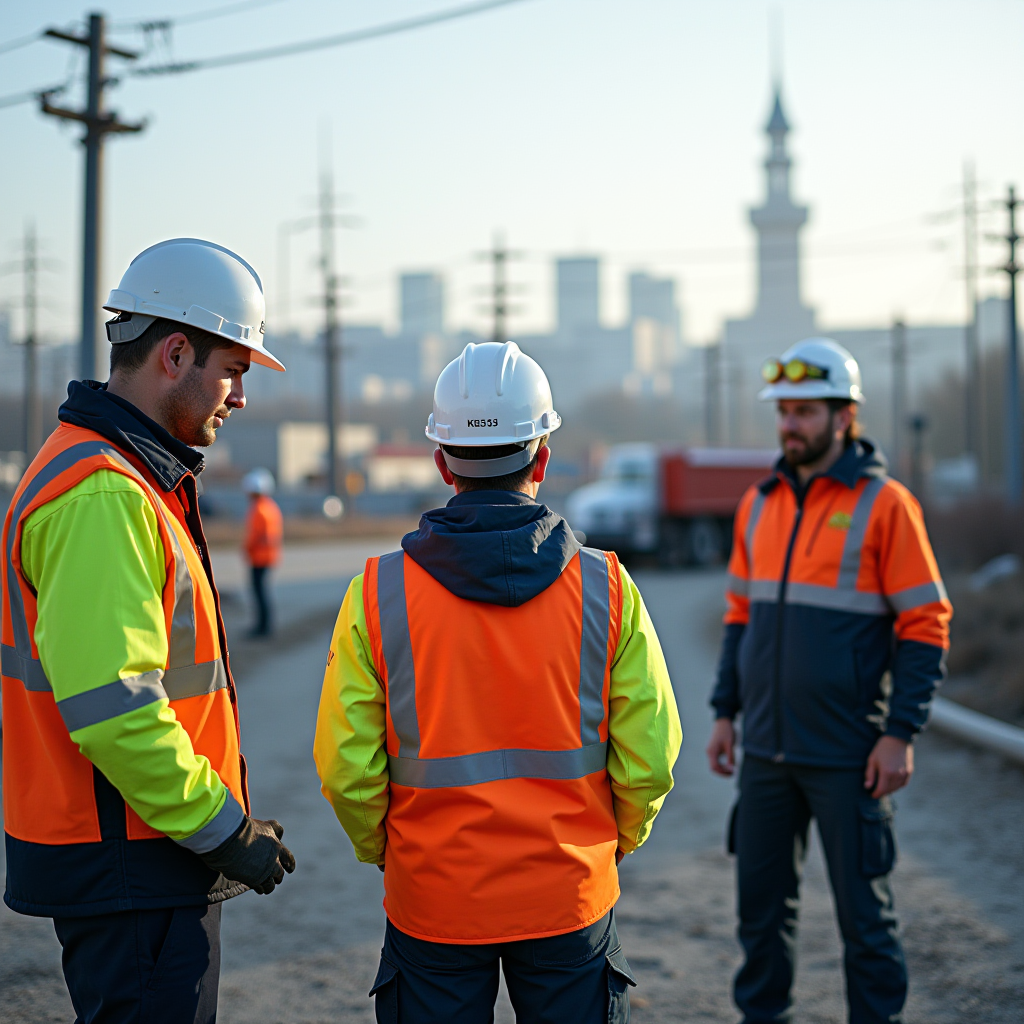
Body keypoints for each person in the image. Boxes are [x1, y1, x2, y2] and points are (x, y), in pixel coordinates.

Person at [314, 341, 682, 1024]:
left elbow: (345, 770)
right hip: (568, 896)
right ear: (542, 457)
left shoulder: (377, 593)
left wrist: (386, 851)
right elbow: (651, 756)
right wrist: (614, 841)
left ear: (441, 463)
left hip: (434, 901)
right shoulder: (607, 589)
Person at [1, 238, 296, 1024]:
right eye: (232, 370)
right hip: (133, 858)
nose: (239, 396)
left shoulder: (121, 477)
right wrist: (226, 829)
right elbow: (117, 710)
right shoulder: (104, 494)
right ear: (174, 353)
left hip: (136, 849)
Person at [706, 338, 952, 1024]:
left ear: (845, 416)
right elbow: (739, 616)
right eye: (784, 411)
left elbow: (926, 623)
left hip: (850, 755)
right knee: (759, 921)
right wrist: (725, 712)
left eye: (805, 411)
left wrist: (900, 733)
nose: (790, 424)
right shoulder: (758, 504)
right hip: (767, 755)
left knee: (865, 926)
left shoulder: (887, 505)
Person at [241, 467, 283, 638]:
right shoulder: (270, 506)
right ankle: (264, 626)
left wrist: (248, 548)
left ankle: (263, 628)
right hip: (266, 557)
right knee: (262, 592)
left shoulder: (259, 509)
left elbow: (261, 535)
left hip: (260, 558)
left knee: (259, 593)